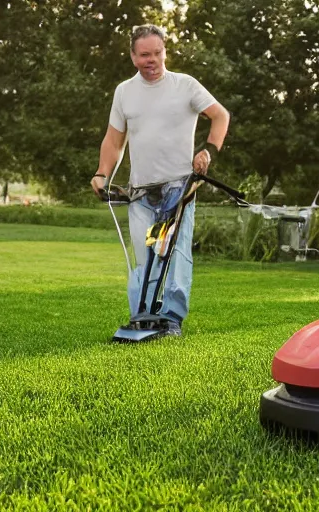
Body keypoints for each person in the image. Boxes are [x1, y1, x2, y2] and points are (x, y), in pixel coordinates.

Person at [90, 24, 230, 337]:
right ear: (132, 56)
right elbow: (114, 141)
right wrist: (102, 173)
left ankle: (171, 319)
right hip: (140, 190)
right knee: (145, 254)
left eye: (157, 53)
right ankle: (143, 317)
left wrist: (208, 151)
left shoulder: (186, 86)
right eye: (144, 55)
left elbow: (221, 116)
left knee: (176, 252)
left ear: (165, 51)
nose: (151, 60)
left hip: (180, 187)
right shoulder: (125, 92)